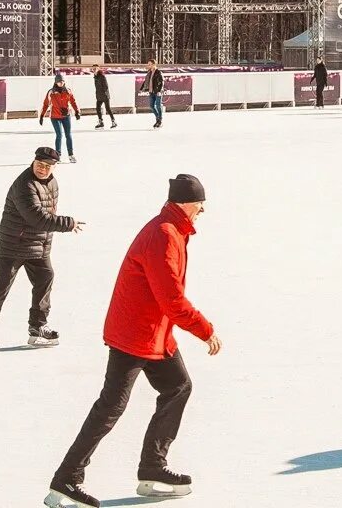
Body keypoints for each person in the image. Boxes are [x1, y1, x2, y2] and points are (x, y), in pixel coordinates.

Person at [45, 175, 221, 508]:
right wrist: (205, 329)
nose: (203, 210)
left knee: (178, 387)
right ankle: (67, 479)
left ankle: (153, 466)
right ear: (186, 203)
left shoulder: (172, 228)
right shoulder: (164, 234)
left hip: (154, 333)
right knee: (111, 406)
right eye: (201, 204)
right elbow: (172, 298)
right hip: (134, 334)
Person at [0, 146, 86, 353]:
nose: (42, 169)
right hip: (12, 245)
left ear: (54, 167)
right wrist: (68, 223)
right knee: (1, 287)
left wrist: (46, 243)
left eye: (47, 166)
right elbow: (37, 217)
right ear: (33, 162)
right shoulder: (24, 185)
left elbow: (47, 214)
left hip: (37, 246)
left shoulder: (52, 183)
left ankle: (38, 326)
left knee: (45, 278)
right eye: (39, 164)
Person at [40, 74, 83, 162]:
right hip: (55, 117)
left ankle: (71, 155)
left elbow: (73, 101)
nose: (61, 83)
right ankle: (58, 155)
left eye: (63, 81)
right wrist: (42, 116)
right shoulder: (51, 92)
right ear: (56, 82)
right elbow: (45, 104)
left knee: (68, 135)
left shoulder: (68, 91)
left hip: (66, 116)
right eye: (59, 81)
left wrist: (77, 111)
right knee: (59, 135)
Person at [93, 64, 117, 129]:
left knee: (108, 109)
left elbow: (106, 86)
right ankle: (101, 122)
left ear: (98, 69)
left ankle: (113, 122)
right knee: (98, 108)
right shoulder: (95, 77)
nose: (94, 69)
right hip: (99, 96)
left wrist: (104, 93)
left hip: (104, 95)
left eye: (96, 68)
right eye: (93, 69)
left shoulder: (102, 76)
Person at [143, 60, 165, 129]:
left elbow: (161, 82)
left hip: (157, 92)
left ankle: (159, 121)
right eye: (148, 64)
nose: (148, 66)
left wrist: (159, 91)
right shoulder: (149, 72)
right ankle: (158, 119)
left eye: (149, 64)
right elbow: (147, 81)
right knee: (151, 106)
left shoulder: (158, 72)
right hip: (151, 91)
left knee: (158, 106)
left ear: (153, 65)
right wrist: (143, 88)